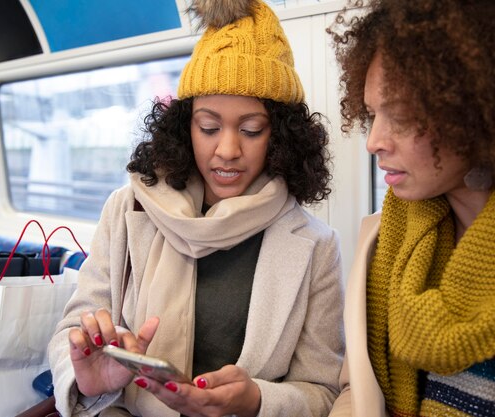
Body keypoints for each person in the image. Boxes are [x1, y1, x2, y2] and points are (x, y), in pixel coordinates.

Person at [48, 1, 345, 416]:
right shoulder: (127, 211)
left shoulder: (316, 246)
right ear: (185, 127)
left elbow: (322, 391)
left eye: (251, 130)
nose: (226, 150)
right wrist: (87, 378)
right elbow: (72, 330)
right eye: (208, 127)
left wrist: (257, 401)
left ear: (281, 135)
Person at [326, 0, 495, 416]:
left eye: (403, 117)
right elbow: (357, 390)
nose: (373, 141)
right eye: (372, 114)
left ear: (480, 111)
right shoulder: (380, 241)